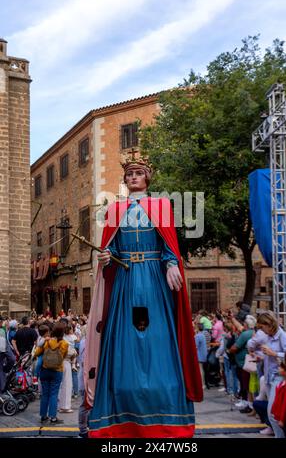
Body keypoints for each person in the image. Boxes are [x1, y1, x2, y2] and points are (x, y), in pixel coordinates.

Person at [84, 155, 202, 438]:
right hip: (125, 280)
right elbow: (110, 249)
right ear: (125, 180)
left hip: (152, 278)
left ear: (147, 178)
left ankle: (166, 410)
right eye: (130, 174)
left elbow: (168, 241)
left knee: (156, 336)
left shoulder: (162, 205)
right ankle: (120, 412)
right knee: (125, 337)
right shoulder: (114, 210)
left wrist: (172, 262)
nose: (134, 177)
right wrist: (107, 257)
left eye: (138, 173)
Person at [248, 312, 286, 438]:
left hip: (279, 377)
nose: (261, 331)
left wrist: (274, 353)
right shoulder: (268, 336)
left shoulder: (283, 336)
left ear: (269, 324)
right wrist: (261, 357)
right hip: (269, 376)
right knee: (272, 413)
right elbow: (269, 355)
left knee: (273, 413)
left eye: (262, 327)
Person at [33, 322, 68, 424]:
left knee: (45, 394)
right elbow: (63, 356)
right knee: (54, 394)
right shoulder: (64, 344)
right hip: (57, 371)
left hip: (45, 370)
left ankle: (43, 416)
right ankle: (53, 417)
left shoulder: (46, 341)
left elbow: (36, 353)